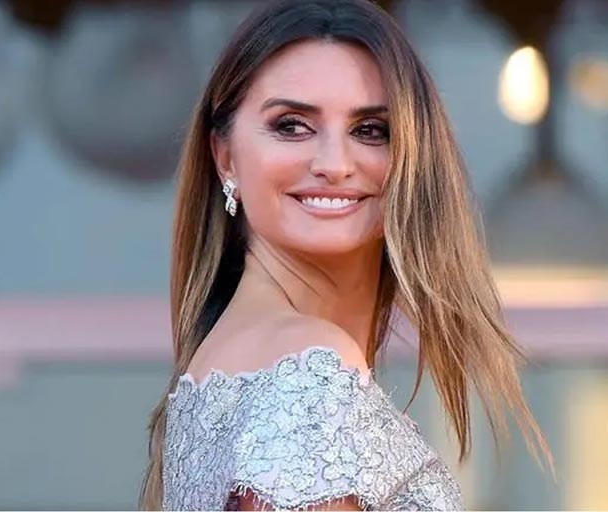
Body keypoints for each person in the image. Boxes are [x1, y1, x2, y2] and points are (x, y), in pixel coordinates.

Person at [140, 0, 552, 509]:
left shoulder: (231, 356)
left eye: (370, 130)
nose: (334, 164)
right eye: (291, 125)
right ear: (225, 157)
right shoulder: (307, 369)